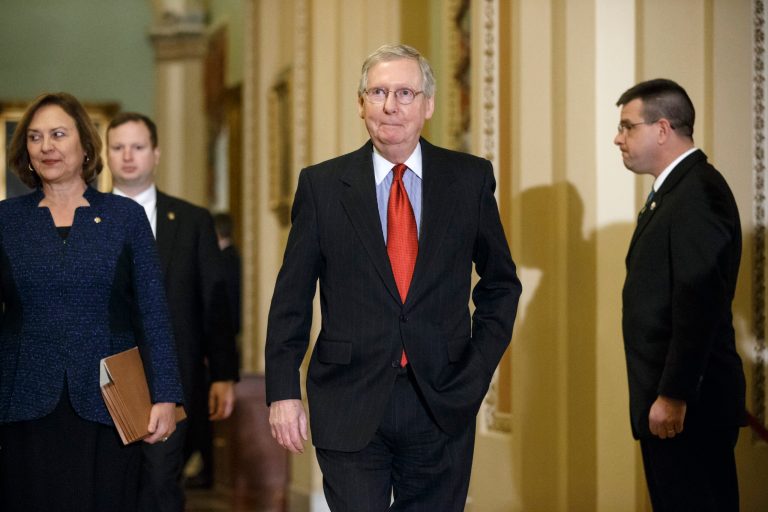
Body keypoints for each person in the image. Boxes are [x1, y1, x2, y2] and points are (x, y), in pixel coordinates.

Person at [265, 44, 521, 511]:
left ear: (428, 105)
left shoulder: (469, 179)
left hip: (442, 398)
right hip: (349, 399)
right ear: (361, 103)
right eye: (378, 92)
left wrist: (477, 367)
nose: (391, 105)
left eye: (405, 92)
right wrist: (283, 393)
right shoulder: (322, 186)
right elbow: (292, 298)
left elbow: (501, 284)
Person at [0, 92, 183, 511]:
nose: (46, 146)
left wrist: (166, 395)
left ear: (84, 145)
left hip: (108, 402)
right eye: (34, 137)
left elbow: (153, 312)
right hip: (22, 402)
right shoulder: (7, 221)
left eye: (58, 134)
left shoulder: (125, 218)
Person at [615, 78, 746, 511]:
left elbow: (699, 303)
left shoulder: (698, 193)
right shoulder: (675, 193)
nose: (619, 138)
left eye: (628, 126)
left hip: (690, 408)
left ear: (663, 129)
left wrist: (674, 393)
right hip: (673, 404)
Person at [106, 112, 239, 511]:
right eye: (118, 147)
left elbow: (214, 300)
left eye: (138, 147)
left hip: (172, 381)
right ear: (107, 155)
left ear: (156, 153)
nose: (128, 156)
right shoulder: (84, 218)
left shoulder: (192, 221)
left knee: (161, 485)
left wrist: (224, 374)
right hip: (101, 380)